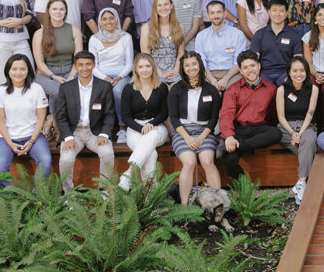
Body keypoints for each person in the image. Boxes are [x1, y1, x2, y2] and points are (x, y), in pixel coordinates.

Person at [55, 50, 116, 192]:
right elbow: (61, 116)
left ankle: (104, 191)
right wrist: (68, 137)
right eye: (81, 65)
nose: (85, 68)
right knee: (65, 160)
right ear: (75, 67)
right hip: (73, 133)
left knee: (107, 153)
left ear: (94, 65)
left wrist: (104, 134)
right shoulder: (65, 88)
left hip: (95, 132)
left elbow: (109, 114)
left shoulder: (104, 87)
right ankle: (68, 193)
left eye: (88, 64)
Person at [168, 51, 223, 205]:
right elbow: (173, 118)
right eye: (187, 65)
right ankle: (185, 205)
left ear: (200, 65)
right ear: (182, 68)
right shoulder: (176, 89)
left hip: (205, 131)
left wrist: (200, 138)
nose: (191, 68)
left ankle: (216, 204)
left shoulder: (211, 90)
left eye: (194, 64)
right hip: (182, 132)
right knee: (189, 162)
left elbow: (213, 119)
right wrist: (187, 138)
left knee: (207, 161)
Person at [218, 50, 281, 181]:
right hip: (239, 129)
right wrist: (229, 136)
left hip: (259, 129)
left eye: (252, 66)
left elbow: (273, 114)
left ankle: (238, 145)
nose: (250, 70)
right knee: (229, 159)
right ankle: (245, 189)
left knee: (276, 133)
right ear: (240, 71)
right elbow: (226, 115)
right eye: (245, 67)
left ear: (259, 66)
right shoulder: (233, 90)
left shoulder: (271, 89)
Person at [0, 54, 52, 184]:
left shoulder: (37, 89)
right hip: (7, 138)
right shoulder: (0, 92)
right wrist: (10, 143)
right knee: (0, 166)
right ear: (8, 71)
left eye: (22, 69)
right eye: (14, 69)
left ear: (29, 70)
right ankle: (4, 200)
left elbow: (41, 118)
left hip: (34, 136)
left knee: (46, 160)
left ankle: (38, 196)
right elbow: (0, 121)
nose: (18, 72)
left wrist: (31, 141)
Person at [118, 54, 171, 190]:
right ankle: (150, 195)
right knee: (151, 154)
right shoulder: (128, 89)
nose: (145, 70)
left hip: (157, 127)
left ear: (153, 68)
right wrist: (141, 128)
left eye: (148, 66)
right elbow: (125, 116)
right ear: (135, 69)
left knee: (152, 135)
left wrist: (152, 124)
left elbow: (164, 113)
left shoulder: (162, 87)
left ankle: (128, 173)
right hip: (134, 128)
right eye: (141, 66)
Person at [275, 56, 319, 204]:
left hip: (305, 126)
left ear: (307, 72)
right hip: (286, 127)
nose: (298, 74)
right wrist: (292, 133)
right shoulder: (282, 89)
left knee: (310, 139)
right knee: (307, 148)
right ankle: (303, 182)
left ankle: (301, 182)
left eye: (302, 70)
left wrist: (299, 134)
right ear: (289, 72)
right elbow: (280, 116)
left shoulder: (314, 89)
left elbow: (310, 113)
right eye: (295, 71)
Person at [33, 0, 82, 128]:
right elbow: (39, 63)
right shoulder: (40, 33)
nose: (58, 12)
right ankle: (56, 121)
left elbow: (78, 59)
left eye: (61, 9)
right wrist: (53, 77)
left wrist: (71, 76)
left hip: (70, 71)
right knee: (59, 90)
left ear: (66, 11)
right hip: (47, 73)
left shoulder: (74, 30)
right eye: (54, 9)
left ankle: (53, 120)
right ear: (48, 11)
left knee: (73, 88)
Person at [89, 7, 134, 139]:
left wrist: (119, 77)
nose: (108, 22)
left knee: (118, 92)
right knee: (100, 93)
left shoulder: (126, 37)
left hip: (122, 75)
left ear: (116, 19)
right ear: (100, 21)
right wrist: (106, 78)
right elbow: (93, 65)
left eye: (111, 18)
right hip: (101, 76)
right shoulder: (94, 39)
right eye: (104, 19)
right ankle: (103, 130)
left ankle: (122, 128)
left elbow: (129, 63)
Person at [195, 1, 248, 92]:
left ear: (224, 14)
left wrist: (225, 79)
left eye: (219, 12)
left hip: (232, 74)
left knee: (231, 92)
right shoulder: (201, 36)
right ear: (207, 16)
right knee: (209, 92)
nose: (216, 16)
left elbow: (239, 62)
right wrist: (212, 81)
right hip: (209, 74)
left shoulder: (237, 34)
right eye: (212, 13)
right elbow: (201, 63)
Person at [251, 0, 301, 86]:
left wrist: (291, 76)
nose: (277, 14)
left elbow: (298, 59)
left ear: (286, 13)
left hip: (286, 74)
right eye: (274, 10)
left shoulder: (294, 35)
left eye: (281, 11)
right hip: (264, 74)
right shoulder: (259, 34)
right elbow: (254, 60)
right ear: (269, 12)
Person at [140, 0, 185, 84]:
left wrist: (176, 70)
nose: (163, 8)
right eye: (159, 5)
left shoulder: (179, 27)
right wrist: (161, 73)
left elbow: (181, 53)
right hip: (153, 71)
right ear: (155, 8)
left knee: (176, 89)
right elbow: (146, 55)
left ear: (171, 5)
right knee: (162, 89)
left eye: (166, 4)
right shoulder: (146, 27)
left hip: (174, 71)